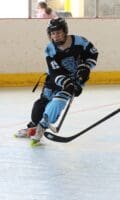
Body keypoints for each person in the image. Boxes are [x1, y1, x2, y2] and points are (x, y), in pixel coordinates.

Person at [15, 18, 98, 146]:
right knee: (39, 107)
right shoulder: (50, 49)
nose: (56, 36)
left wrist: (85, 68)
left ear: (65, 31)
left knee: (58, 102)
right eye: (53, 33)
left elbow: (93, 54)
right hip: (54, 80)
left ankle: (42, 127)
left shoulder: (80, 41)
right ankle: (33, 126)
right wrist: (66, 83)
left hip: (75, 79)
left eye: (58, 32)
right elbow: (54, 72)